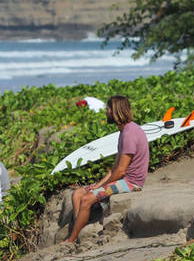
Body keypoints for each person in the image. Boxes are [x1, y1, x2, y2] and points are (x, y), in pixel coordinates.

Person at [63, 95, 149, 243]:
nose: (106, 112)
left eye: (108, 109)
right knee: (78, 193)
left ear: (115, 111)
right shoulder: (123, 132)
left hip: (131, 183)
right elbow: (114, 168)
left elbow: (121, 171)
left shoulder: (129, 134)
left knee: (86, 199)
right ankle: (79, 228)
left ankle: (71, 239)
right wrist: (97, 186)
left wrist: (98, 189)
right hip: (122, 179)